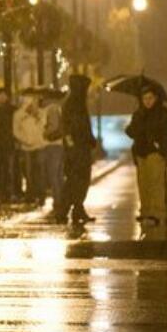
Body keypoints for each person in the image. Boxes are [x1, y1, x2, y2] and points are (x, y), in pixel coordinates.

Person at [125, 86, 167, 228]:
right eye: (145, 98)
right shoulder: (139, 114)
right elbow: (132, 131)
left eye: (150, 98)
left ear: (156, 98)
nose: (147, 101)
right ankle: (145, 211)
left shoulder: (163, 113)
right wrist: (134, 128)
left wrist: (162, 150)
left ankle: (157, 213)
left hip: (155, 152)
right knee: (143, 183)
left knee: (156, 183)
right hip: (141, 152)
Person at [58, 74, 98, 226]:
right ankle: (66, 210)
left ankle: (76, 209)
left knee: (78, 180)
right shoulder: (74, 104)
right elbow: (72, 127)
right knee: (76, 180)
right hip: (77, 149)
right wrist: (75, 143)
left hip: (79, 147)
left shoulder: (75, 103)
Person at [0, 88, 18, 200]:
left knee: (9, 169)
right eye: (0, 95)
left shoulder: (12, 110)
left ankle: (9, 192)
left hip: (8, 143)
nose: (2, 97)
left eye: (4, 95)